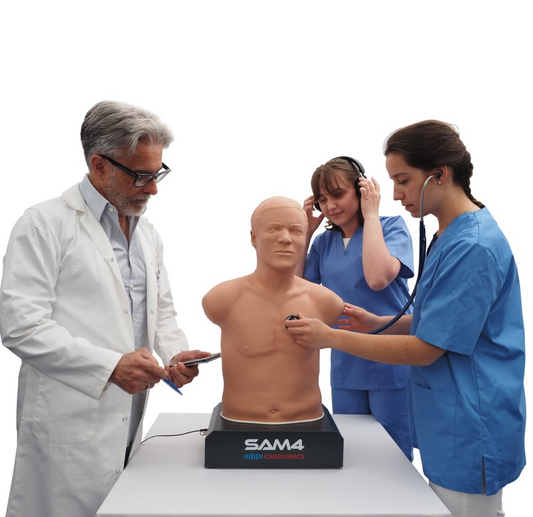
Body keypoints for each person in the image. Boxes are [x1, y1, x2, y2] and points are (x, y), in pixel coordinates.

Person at [286, 120, 525, 517]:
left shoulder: (472, 246)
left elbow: (427, 348)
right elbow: (437, 319)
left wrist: (330, 337)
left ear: (440, 175)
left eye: (402, 181)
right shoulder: (449, 235)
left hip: (470, 422)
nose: (395, 194)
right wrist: (378, 321)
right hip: (448, 416)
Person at [0, 101, 211, 517]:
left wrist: (175, 354)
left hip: (128, 417)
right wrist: (111, 366)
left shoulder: (147, 234)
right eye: (142, 176)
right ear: (99, 166)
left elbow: (161, 312)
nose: (153, 189)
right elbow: (21, 326)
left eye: (158, 174)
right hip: (68, 419)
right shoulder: (43, 224)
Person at [300, 157, 414, 459]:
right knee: (352, 452)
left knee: (394, 456)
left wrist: (371, 214)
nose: (330, 206)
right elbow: (295, 291)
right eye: (322, 199)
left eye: (338, 194)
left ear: (362, 189)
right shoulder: (323, 243)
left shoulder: (391, 227)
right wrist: (305, 233)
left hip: (391, 361)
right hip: (346, 363)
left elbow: (378, 278)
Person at [202, 196, 344, 424]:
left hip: (305, 420)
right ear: (254, 238)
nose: (285, 239)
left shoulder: (326, 302)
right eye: (274, 229)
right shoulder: (222, 299)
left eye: (296, 231)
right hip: (240, 421)